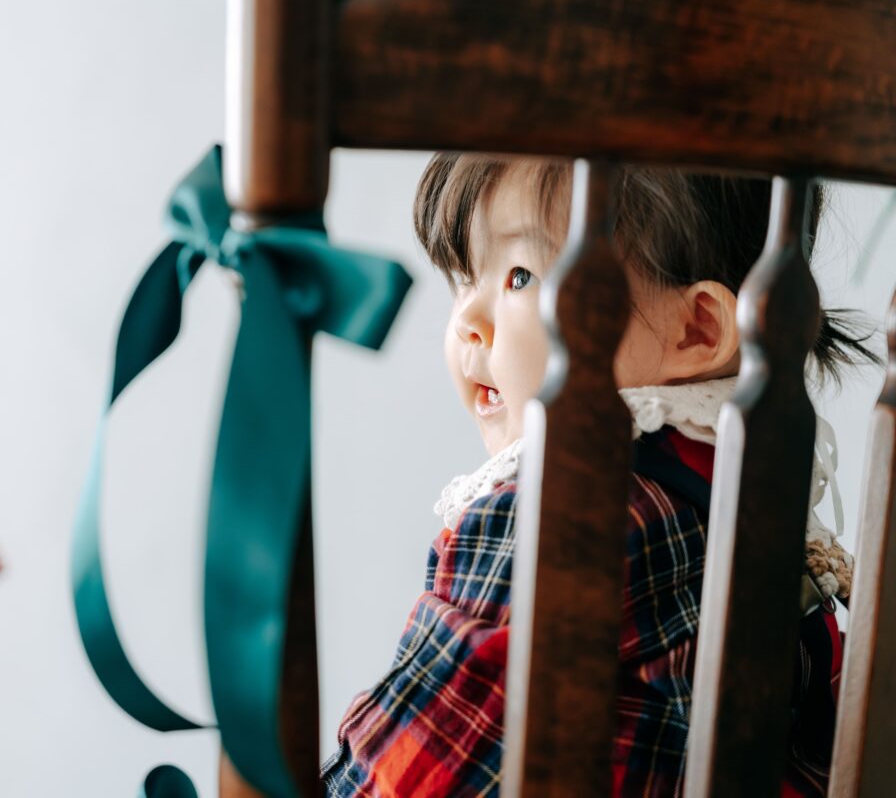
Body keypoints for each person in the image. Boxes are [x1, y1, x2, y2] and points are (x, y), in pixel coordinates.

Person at [320, 154, 881, 796]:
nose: (465, 324)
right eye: (463, 278)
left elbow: (413, 764)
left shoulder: (567, 508)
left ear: (696, 329)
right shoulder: (738, 483)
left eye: (521, 275)